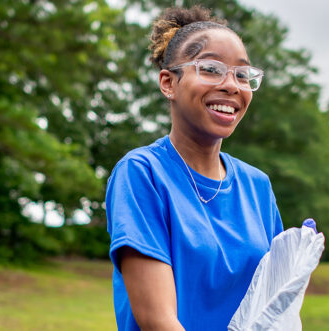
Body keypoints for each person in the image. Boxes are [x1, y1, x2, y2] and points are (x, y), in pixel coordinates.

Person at [105, 6, 284, 331]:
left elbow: (271, 310)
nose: (232, 85)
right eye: (212, 69)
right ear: (168, 83)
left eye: (242, 75)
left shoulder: (258, 186)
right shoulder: (142, 173)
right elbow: (158, 321)